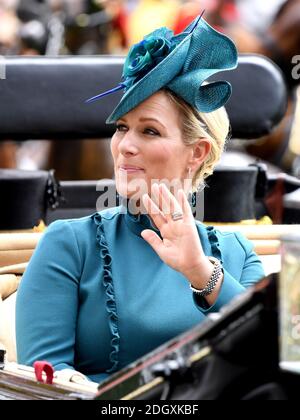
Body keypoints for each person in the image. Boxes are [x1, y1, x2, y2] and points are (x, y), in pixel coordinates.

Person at [16, 15, 265, 384]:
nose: (125, 146)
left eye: (149, 130)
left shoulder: (236, 254)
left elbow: (267, 364)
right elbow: (43, 384)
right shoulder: (69, 244)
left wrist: (201, 271)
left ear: (197, 153)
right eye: (121, 128)